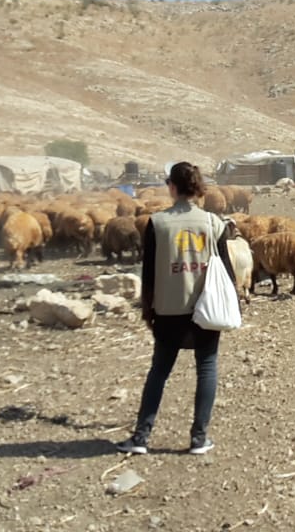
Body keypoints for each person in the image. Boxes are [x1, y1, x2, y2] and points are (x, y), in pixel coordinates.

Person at [118, 162, 234, 456]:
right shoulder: (213, 223)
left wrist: (147, 308)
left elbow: (149, 273)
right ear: (197, 187)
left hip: (169, 309)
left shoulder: (157, 223)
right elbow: (228, 274)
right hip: (205, 309)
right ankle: (199, 438)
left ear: (172, 186)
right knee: (206, 367)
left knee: (159, 371)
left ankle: (141, 437)